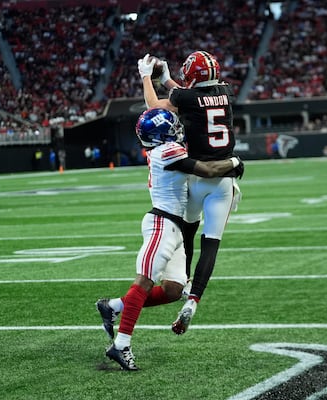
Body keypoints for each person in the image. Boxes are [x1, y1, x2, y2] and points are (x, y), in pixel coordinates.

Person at [96, 108, 243, 371]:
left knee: (173, 289)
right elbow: (208, 170)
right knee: (143, 281)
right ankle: (121, 345)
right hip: (161, 224)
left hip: (175, 227)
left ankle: (113, 306)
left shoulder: (163, 149)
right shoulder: (167, 151)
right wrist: (234, 163)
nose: (177, 128)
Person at [137, 51, 243, 335]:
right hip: (224, 180)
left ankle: (182, 281)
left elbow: (154, 107)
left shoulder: (187, 98)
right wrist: (169, 80)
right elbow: (192, 96)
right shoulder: (226, 92)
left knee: (188, 231)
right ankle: (193, 300)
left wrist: (146, 76)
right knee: (213, 244)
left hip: (196, 176)